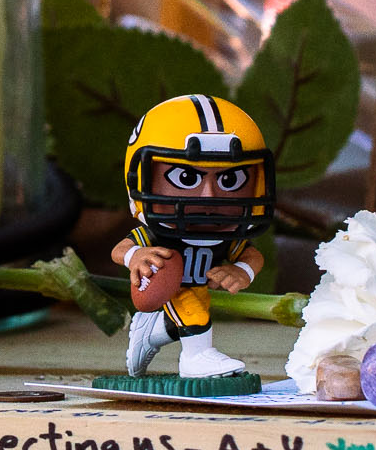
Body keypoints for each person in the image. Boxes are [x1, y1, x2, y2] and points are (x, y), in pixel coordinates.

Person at [114, 94, 272, 379]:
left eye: (230, 180)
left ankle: (153, 331)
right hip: (174, 285)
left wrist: (241, 271)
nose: (209, 197)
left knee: (191, 310)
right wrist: (136, 256)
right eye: (186, 179)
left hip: (197, 289)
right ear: (139, 178)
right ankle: (196, 357)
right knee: (195, 312)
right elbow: (120, 249)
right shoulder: (160, 233)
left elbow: (252, 255)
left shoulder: (228, 233)